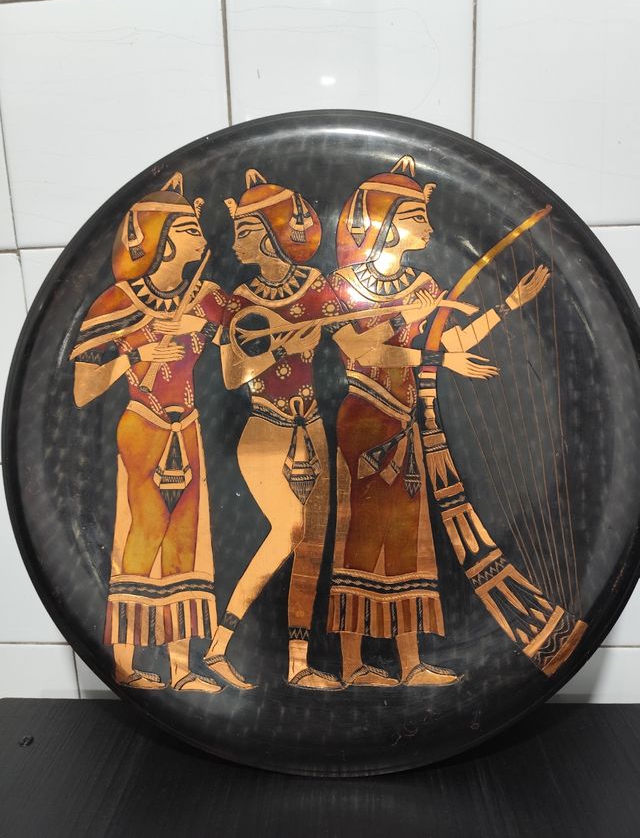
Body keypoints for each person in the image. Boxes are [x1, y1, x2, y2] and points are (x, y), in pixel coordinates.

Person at [203, 169, 434, 689]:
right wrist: (281, 347)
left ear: (273, 234)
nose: (236, 242)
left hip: (312, 426)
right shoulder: (240, 302)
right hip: (266, 430)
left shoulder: (321, 290)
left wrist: (404, 321)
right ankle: (220, 644)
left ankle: (298, 665)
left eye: (246, 231)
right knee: (288, 532)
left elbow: (361, 345)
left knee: (311, 546)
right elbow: (233, 375)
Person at [327, 155, 549, 687]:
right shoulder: (341, 285)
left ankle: (409, 664)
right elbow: (361, 351)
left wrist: (507, 306)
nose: (429, 227)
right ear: (386, 222)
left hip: (405, 424)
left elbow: (450, 342)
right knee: (361, 538)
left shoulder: (421, 283)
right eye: (418, 217)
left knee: (409, 541)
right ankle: (352, 664)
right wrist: (422, 336)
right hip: (365, 419)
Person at [70, 173, 227, 692]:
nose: (199, 235)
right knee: (145, 534)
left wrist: (213, 327)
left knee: (186, 542)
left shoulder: (204, 297)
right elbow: (84, 390)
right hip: (144, 424)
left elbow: (250, 339)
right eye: (187, 228)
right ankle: (125, 665)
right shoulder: (117, 302)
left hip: (190, 426)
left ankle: (182, 670)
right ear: (159, 238)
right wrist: (135, 348)